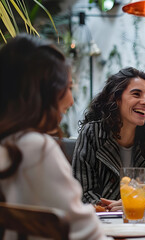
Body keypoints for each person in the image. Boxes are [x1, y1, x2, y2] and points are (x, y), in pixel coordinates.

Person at [0, 35, 107, 240]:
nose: (71, 100)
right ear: (42, 92)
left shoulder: (9, 144)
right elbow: (87, 234)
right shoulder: (34, 148)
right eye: (67, 87)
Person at [72, 67, 145, 209]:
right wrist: (111, 208)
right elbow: (82, 192)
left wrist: (135, 205)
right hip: (101, 223)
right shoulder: (93, 133)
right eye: (136, 94)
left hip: (138, 223)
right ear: (117, 99)